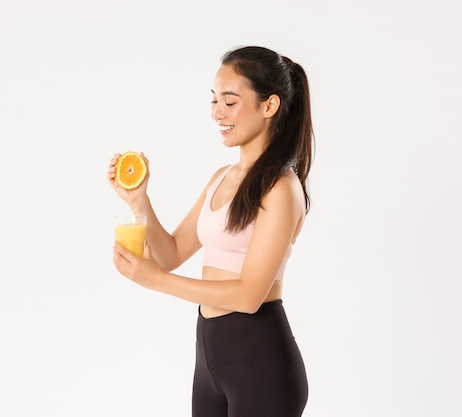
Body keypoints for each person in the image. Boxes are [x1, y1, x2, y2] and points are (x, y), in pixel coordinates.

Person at [107, 45, 314, 417]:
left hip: (261, 362)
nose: (218, 113)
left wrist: (154, 281)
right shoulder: (222, 178)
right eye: (215, 100)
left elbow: (250, 295)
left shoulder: (281, 188)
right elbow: (169, 254)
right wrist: (139, 201)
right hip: (210, 357)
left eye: (230, 102)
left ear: (269, 106)